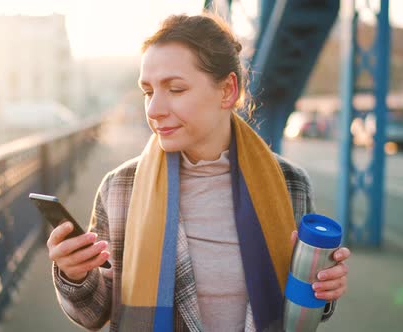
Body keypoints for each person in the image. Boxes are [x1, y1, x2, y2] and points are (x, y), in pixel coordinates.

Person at [47, 13, 350, 332]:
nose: (153, 109)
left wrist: (323, 289)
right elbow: (95, 314)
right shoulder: (120, 188)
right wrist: (75, 275)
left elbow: (302, 310)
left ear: (227, 91)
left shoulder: (291, 184)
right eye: (148, 91)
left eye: (175, 89)